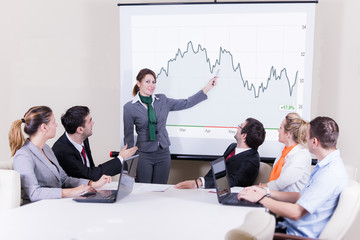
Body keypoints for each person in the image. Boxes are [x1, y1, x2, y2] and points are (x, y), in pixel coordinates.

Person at [238, 116, 349, 238]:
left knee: (240, 229)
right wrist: (265, 192)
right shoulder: (326, 166)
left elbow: (296, 212)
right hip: (288, 226)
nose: (304, 138)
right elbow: (301, 196)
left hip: (293, 235)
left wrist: (260, 199)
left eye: (307, 136)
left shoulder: (329, 174)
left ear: (314, 142)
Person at [123, 68, 217, 184]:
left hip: (163, 153)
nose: (151, 85)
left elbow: (186, 103)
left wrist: (206, 89)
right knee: (144, 190)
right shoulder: (129, 107)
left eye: (154, 82)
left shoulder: (162, 100)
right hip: (143, 155)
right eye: (147, 82)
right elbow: (128, 139)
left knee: (160, 189)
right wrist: (130, 169)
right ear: (138, 83)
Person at [9, 106, 111, 204]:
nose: (57, 125)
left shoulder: (47, 149)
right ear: (44, 127)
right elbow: (34, 193)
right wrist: (71, 192)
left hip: (55, 204)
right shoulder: (23, 156)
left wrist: (92, 184)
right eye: (53, 122)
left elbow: (64, 179)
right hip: (37, 209)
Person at [175, 118, 266, 189]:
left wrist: (199, 183)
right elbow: (217, 169)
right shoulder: (232, 147)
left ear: (244, 135)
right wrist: (200, 183)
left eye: (240, 126)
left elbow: (232, 182)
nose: (237, 128)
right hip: (210, 190)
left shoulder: (251, 160)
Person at [52, 106, 137, 181]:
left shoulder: (83, 138)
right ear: (80, 130)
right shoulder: (61, 150)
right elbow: (89, 175)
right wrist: (121, 158)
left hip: (89, 188)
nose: (93, 123)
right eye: (90, 121)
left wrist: (102, 177)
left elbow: (91, 169)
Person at [259, 112, 312, 192]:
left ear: (288, 134)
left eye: (280, 128)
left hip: (291, 201)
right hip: (276, 196)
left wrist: (259, 187)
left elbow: (280, 183)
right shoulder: (284, 151)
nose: (278, 130)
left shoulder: (302, 155)